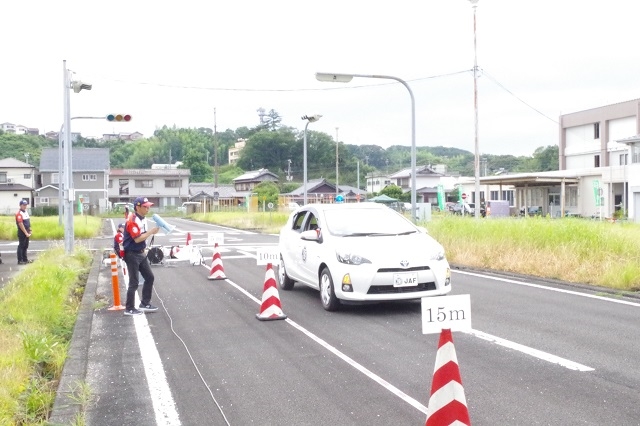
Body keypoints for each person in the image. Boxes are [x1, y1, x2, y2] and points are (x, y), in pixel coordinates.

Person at [122, 197, 160, 316]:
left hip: (140, 252)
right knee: (134, 282)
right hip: (132, 253)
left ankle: (144, 303)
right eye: (145, 206)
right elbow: (137, 238)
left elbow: (142, 235)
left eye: (148, 206)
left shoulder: (142, 219)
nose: (148, 208)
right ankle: (129, 308)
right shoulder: (132, 220)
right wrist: (150, 232)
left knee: (149, 277)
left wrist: (151, 232)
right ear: (138, 207)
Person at [15, 199, 33, 264]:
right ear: (20, 205)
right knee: (21, 246)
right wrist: (25, 232)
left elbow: (28, 222)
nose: (25, 206)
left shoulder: (26, 212)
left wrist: (29, 230)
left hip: (27, 231)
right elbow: (20, 224)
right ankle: (20, 260)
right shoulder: (19, 214)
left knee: (25, 246)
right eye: (23, 205)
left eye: (26, 205)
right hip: (22, 232)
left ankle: (25, 259)